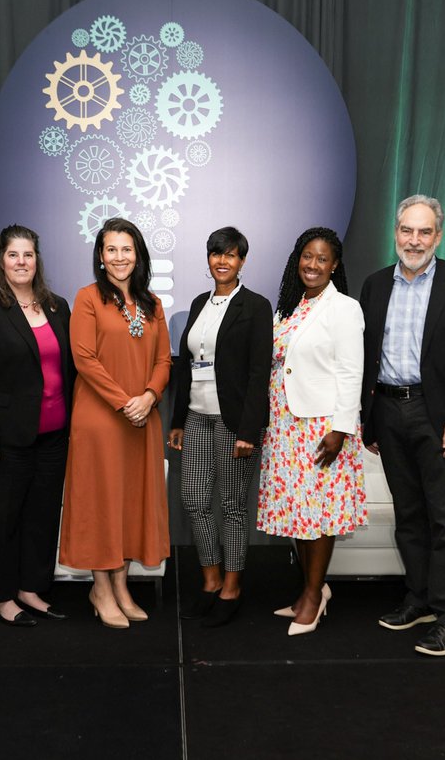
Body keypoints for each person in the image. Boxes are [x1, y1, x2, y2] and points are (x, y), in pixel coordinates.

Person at [360, 194, 445, 657]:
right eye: (407, 231)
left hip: (440, 419)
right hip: (389, 414)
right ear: (395, 233)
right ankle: (421, 598)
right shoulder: (374, 286)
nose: (414, 241)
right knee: (409, 516)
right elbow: (366, 358)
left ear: (439, 235)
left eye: (424, 232)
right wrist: (367, 420)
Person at [0, 225, 74, 627]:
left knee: (41, 516)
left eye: (28, 255)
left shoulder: (57, 305)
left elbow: (67, 370)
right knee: (0, 518)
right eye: (13, 255)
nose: (21, 262)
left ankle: (30, 589)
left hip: (54, 433)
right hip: (3, 437)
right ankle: (1, 596)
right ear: (0, 261)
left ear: (37, 260)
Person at [256, 227, 369, 636]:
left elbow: (351, 371)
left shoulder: (344, 308)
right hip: (286, 427)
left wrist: (341, 429)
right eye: (307, 256)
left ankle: (313, 594)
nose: (313, 265)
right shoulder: (289, 307)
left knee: (318, 514)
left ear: (335, 265)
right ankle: (311, 590)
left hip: (322, 428)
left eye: (322, 258)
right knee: (300, 515)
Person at [60, 217, 171, 629]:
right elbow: (84, 358)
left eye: (127, 249)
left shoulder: (153, 303)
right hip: (100, 418)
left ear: (138, 254)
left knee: (130, 502)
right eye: (112, 249)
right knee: (100, 502)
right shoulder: (88, 298)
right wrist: (126, 402)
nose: (120, 257)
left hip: (143, 418)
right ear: (101, 256)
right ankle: (100, 588)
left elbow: (163, 361)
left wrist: (149, 397)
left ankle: (121, 587)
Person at [168, 227, 272, 627]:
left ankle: (232, 586)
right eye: (216, 254)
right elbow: (186, 367)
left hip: (234, 424)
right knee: (194, 499)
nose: (222, 261)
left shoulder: (256, 306)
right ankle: (210, 580)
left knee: (231, 505)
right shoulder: (197, 304)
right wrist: (177, 420)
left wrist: (249, 431)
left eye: (231, 255)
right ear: (208, 259)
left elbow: (259, 373)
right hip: (196, 417)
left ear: (242, 261)